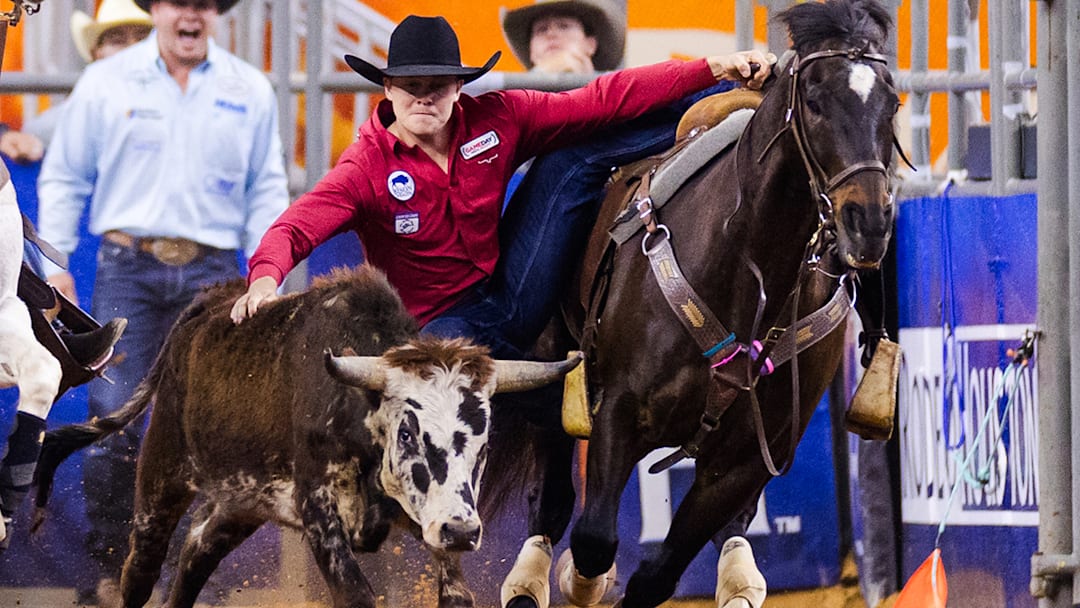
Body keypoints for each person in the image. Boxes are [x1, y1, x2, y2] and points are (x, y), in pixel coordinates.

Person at [230, 14, 769, 367]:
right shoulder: (364, 167)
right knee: (438, 359)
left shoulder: (498, 117)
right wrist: (263, 281)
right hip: (438, 323)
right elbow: (296, 226)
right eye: (411, 88)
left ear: (458, 87)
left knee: (576, 146)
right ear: (388, 90)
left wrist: (711, 71)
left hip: (515, 287)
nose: (425, 99)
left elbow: (604, 97)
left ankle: (734, 113)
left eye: (437, 86)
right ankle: (549, 390)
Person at [36, 0, 290, 603]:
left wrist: (267, 273)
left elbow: (267, 187)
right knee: (112, 413)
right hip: (130, 266)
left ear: (215, 14)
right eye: (181, 2)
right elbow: (65, 176)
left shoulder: (248, 88)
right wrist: (55, 268)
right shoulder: (106, 81)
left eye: (204, 3)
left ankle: (181, 575)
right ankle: (114, 566)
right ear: (160, 12)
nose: (193, 14)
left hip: (215, 273)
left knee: (209, 429)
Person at [0, 0, 154, 164]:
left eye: (143, 37)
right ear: (96, 53)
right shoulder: (49, 130)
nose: (131, 49)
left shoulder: (181, 111)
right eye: (117, 40)